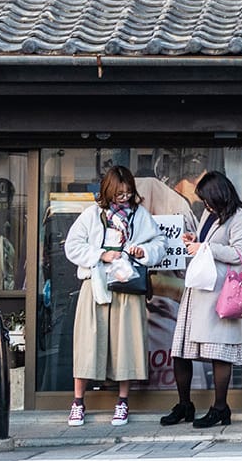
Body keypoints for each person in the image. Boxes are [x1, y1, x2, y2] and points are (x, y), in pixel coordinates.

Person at [62, 166, 165, 426]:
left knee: (126, 343)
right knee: (88, 342)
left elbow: (159, 243)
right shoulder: (92, 215)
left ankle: (122, 401)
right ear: (108, 191)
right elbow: (72, 245)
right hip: (96, 285)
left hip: (128, 285)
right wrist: (100, 254)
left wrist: (143, 252)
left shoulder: (140, 215)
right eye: (119, 193)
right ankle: (78, 402)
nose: (124, 198)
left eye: (128, 193)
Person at [164, 171, 242, 429]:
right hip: (198, 289)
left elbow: (240, 254)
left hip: (221, 293)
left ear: (220, 194)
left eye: (208, 199)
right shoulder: (210, 214)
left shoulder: (240, 218)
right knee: (180, 352)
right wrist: (197, 240)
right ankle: (184, 404)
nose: (206, 205)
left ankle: (220, 408)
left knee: (219, 352)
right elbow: (207, 243)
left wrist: (205, 247)